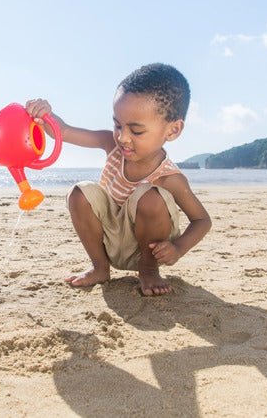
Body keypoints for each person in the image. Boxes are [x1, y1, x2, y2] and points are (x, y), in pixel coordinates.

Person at [26, 63, 212, 296]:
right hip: (109, 242)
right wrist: (46, 116)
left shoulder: (170, 178)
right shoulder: (111, 144)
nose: (122, 137)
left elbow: (202, 220)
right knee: (80, 192)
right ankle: (100, 267)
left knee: (151, 197)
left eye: (136, 131)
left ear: (172, 131)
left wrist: (178, 248)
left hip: (147, 249)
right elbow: (63, 132)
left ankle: (148, 271)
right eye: (117, 125)